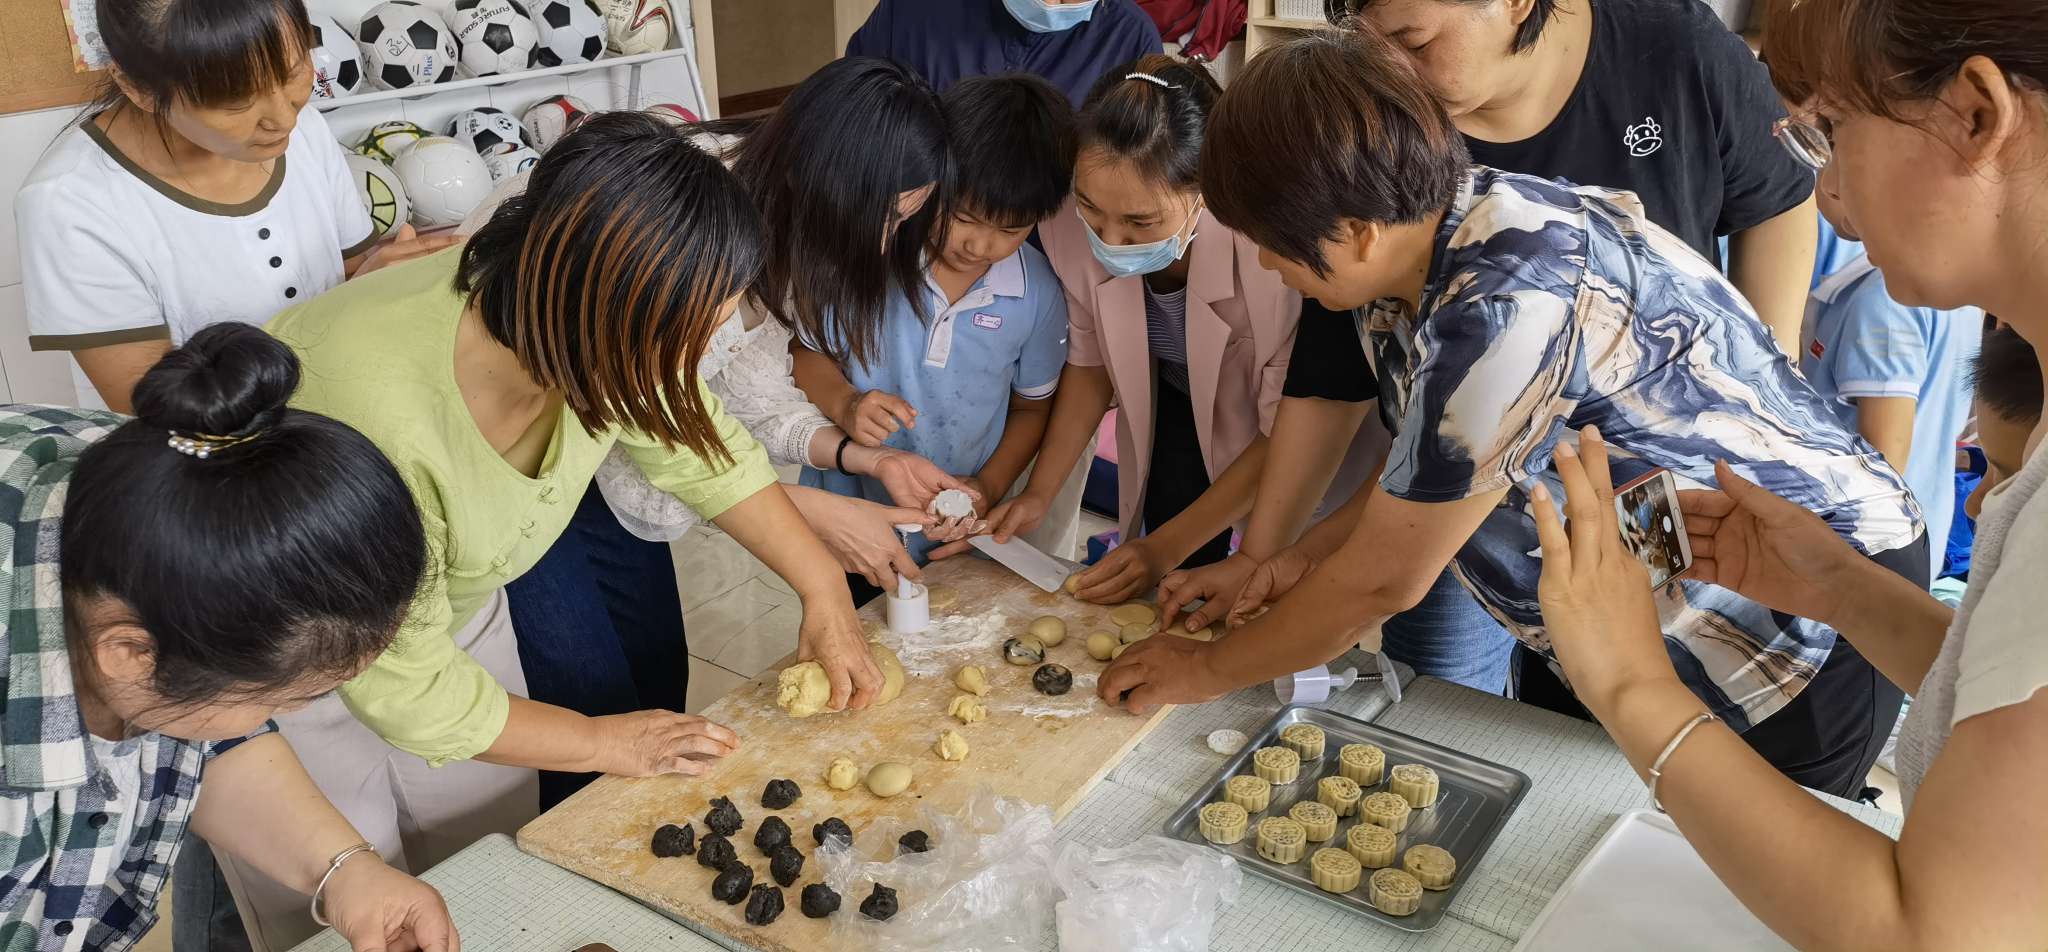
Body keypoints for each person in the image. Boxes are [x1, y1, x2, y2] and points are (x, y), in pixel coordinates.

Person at [1105, 29, 1926, 801]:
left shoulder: (1508, 299)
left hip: (1797, 622)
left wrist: (1202, 672)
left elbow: (1387, 579)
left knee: (1750, 878)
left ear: (1352, 232)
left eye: (1270, 244)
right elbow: (1432, 478)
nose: (1268, 266)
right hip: (1653, 612)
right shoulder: (1415, 251)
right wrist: (1284, 566)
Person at [208, 113, 880, 951]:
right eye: (684, 333)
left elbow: (698, 444)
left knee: (475, 877)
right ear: (603, 311)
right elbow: (408, 692)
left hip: (447, 622)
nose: (695, 360)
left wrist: (820, 589)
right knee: (346, 901)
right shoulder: (380, 424)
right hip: (282, 674)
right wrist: (601, 740)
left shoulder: (574, 325)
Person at [474, 61, 975, 807]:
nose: (884, 242)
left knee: (653, 674)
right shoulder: (689, 218)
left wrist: (857, 456)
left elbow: (743, 381)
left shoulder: (791, 219)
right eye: (886, 215)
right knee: (588, 700)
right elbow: (650, 436)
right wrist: (816, 525)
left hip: (621, 454)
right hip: (522, 454)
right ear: (829, 177)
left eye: (904, 220)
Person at [0, 324, 456, 951]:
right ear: (131, 655)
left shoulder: (185, 479)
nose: (281, 717)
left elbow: (208, 732)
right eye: (280, 699)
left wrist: (348, 870)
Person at [14, 0, 450, 413]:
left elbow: (358, 270)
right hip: (212, 470)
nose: (284, 117)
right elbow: (159, 409)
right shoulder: (68, 204)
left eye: (294, 69)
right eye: (237, 100)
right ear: (138, 88)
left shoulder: (307, 133)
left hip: (337, 414)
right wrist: (347, 312)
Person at [981, 55, 1305, 602]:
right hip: (1173, 397)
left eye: (1139, 222)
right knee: (1176, 560)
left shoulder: (1269, 253)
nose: (1110, 239)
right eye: (1092, 209)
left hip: (1283, 424)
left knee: (1268, 578)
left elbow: (1288, 430)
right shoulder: (1066, 222)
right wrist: (1039, 493)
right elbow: (1089, 365)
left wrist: (1165, 548)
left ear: (1207, 191)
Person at [793, 73, 1076, 589]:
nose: (979, 245)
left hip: (952, 531)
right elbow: (807, 355)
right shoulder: (871, 257)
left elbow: (1032, 407)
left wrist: (988, 485)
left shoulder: (1038, 295)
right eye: (963, 216)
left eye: (1010, 230)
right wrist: (845, 404)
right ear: (930, 182)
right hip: (845, 511)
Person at [1801, 187, 1982, 581]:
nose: (1823, 180)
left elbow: (1885, 463)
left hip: (1863, 565)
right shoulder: (1948, 287)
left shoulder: (1884, 302)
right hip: (1910, 552)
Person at [845, 0, 1162, 107]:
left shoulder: (1130, 39)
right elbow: (849, 114)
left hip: (1051, 248)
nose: (1051, 5)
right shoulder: (915, 11)